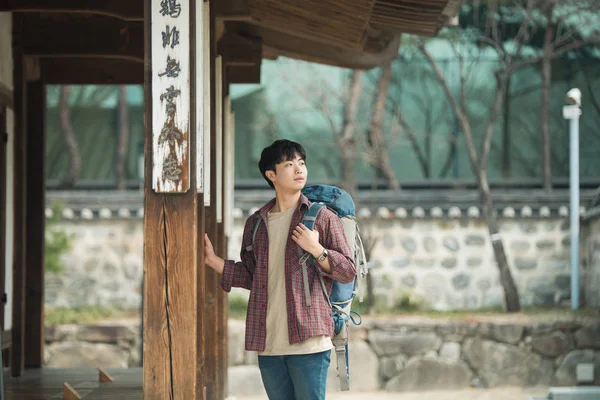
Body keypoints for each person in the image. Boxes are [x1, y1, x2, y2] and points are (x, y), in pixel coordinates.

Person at [204, 139, 356, 400]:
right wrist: (214, 262)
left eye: (302, 163)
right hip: (269, 342)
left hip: (309, 340)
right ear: (271, 174)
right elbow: (254, 276)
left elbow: (347, 271)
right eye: (289, 164)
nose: (299, 169)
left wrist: (317, 250)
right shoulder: (256, 223)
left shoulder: (322, 217)